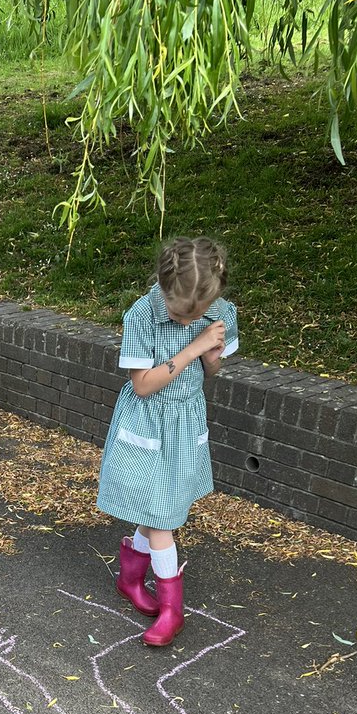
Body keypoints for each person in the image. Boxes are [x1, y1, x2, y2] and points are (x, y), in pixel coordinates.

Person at [97, 237, 238, 647]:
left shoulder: (221, 312)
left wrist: (212, 355)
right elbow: (142, 385)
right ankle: (172, 609)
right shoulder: (142, 315)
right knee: (163, 518)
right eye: (180, 312)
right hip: (148, 419)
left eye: (196, 314)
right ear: (163, 288)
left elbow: (213, 371)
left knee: (160, 506)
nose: (187, 319)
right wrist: (195, 346)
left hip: (185, 419)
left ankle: (129, 578)